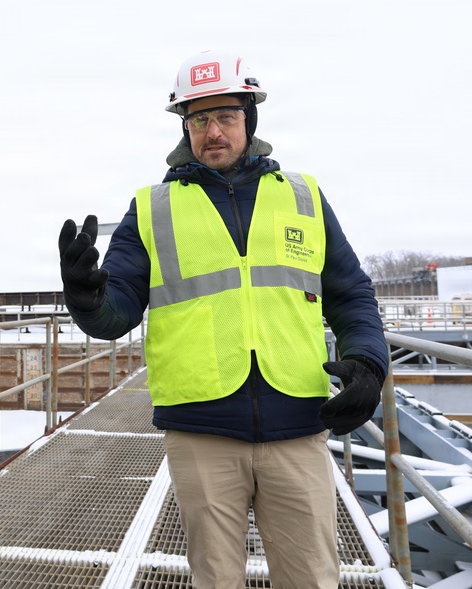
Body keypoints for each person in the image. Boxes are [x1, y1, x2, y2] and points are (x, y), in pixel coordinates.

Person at [58, 49, 388, 589]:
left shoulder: (303, 198)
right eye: (200, 119)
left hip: (299, 425)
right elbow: (115, 311)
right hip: (202, 432)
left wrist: (369, 365)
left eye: (226, 116)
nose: (214, 131)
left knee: (312, 578)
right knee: (216, 580)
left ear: (249, 119)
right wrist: (86, 298)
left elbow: (351, 295)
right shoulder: (153, 208)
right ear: (184, 127)